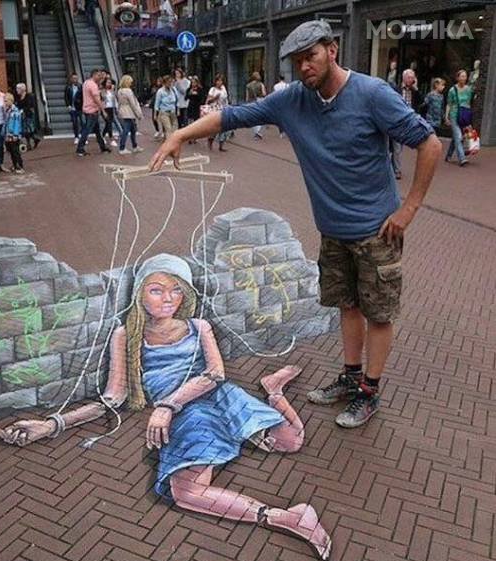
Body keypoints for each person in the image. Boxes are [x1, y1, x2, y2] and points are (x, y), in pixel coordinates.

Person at [151, 20, 442, 429]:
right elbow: (230, 117)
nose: (304, 66)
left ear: (332, 50)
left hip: (377, 231)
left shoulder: (372, 94)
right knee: (348, 305)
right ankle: (351, 377)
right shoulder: (291, 101)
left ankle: (369, 392)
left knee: (378, 314)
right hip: (333, 231)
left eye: (311, 56)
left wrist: (409, 208)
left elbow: (430, 143)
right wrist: (179, 135)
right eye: (297, 60)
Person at [0, 254, 332, 561]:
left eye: (176, 290)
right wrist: (52, 424)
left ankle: (273, 390)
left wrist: (168, 405)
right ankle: (284, 517)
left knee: (291, 440)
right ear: (140, 294)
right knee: (185, 492)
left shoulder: (199, 326)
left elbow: (215, 374)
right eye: (157, 290)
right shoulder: (127, 335)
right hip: (191, 414)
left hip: (218, 397)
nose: (168, 298)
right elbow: (112, 399)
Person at [391, 69, 422, 179]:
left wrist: (416, 89)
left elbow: (421, 102)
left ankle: (393, 165)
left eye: (413, 78)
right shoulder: (396, 89)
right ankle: (397, 170)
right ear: (404, 78)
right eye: (409, 77)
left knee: (399, 147)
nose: (411, 80)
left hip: (408, 121)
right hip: (397, 121)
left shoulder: (414, 91)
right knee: (397, 148)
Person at [76, 69, 110, 157]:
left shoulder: (86, 83)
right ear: (94, 75)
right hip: (92, 110)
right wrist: (103, 110)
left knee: (97, 130)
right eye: (98, 75)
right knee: (87, 130)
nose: (100, 77)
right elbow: (97, 100)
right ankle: (80, 148)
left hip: (87, 109)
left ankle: (102, 146)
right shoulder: (93, 85)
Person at [445, 69, 473, 167]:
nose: (464, 78)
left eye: (465, 76)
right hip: (454, 115)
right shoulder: (452, 90)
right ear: (457, 78)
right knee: (458, 136)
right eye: (462, 76)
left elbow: (468, 103)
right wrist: (446, 116)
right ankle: (462, 158)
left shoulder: (468, 89)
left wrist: (468, 120)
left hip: (464, 116)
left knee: (456, 138)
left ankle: (448, 155)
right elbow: (449, 104)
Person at [117, 75, 143, 155]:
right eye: (130, 82)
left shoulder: (120, 91)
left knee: (132, 129)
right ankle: (122, 147)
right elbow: (133, 104)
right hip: (129, 112)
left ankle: (134, 146)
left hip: (123, 110)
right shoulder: (128, 91)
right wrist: (139, 114)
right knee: (127, 130)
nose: (131, 83)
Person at [206, 74, 229, 152]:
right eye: (218, 80)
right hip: (214, 110)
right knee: (215, 128)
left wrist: (228, 107)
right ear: (215, 81)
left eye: (221, 81)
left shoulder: (223, 89)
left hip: (223, 109)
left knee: (223, 127)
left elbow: (226, 100)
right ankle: (210, 140)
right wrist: (214, 98)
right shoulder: (212, 89)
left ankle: (221, 145)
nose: (219, 82)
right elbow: (208, 101)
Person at [2, 93, 24, 174]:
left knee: (15, 151)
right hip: (8, 134)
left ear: (11, 101)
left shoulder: (15, 111)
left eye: (6, 101)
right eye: (4, 101)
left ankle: (20, 166)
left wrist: (15, 134)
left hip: (13, 134)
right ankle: (14, 165)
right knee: (11, 151)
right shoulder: (7, 110)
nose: (5, 103)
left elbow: (17, 124)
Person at [15, 83, 41, 151]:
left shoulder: (29, 96)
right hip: (22, 115)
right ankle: (34, 140)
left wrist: (23, 110)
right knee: (25, 130)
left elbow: (30, 105)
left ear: (22, 89)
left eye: (18, 89)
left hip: (28, 115)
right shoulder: (18, 97)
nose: (17, 90)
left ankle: (30, 143)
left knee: (27, 129)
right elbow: (17, 105)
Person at [246, 71, 267, 140]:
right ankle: (258, 132)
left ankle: (256, 132)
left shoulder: (248, 85)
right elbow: (264, 94)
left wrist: (247, 103)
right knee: (260, 116)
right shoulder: (261, 84)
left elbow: (247, 96)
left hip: (251, 101)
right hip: (260, 100)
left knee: (253, 116)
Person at [64, 73, 84, 144]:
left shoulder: (80, 86)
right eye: (73, 78)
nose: (75, 80)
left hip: (80, 107)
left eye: (76, 78)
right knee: (75, 123)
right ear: (71, 79)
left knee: (82, 122)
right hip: (72, 108)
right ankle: (76, 136)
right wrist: (68, 105)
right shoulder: (68, 87)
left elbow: (83, 96)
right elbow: (66, 97)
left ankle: (83, 136)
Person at [185, 76, 204, 141]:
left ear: (197, 83)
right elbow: (186, 98)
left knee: (196, 122)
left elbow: (202, 98)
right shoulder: (189, 89)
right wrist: (189, 93)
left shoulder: (200, 89)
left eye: (194, 82)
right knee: (190, 122)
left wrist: (197, 94)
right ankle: (190, 136)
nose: (193, 84)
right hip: (190, 106)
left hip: (196, 107)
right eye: (192, 82)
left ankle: (196, 136)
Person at [101, 78, 118, 147]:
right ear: (105, 83)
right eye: (108, 82)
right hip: (105, 108)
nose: (109, 84)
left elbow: (115, 99)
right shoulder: (102, 91)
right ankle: (111, 139)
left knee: (108, 124)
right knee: (109, 123)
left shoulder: (112, 91)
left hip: (111, 108)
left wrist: (113, 90)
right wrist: (103, 111)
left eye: (110, 83)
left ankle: (102, 136)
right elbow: (102, 101)